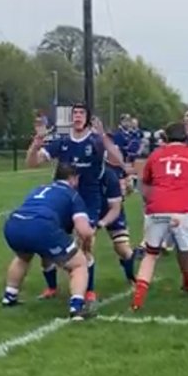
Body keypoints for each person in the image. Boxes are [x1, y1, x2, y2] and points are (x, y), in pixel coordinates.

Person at [26, 104, 123, 303]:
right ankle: (52, 287)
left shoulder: (96, 142)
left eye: (81, 113)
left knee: (86, 244)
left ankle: (89, 290)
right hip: (61, 202)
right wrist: (36, 144)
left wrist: (104, 137)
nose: (77, 116)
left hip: (88, 202)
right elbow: (32, 163)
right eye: (75, 113)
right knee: (47, 245)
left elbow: (118, 160)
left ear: (88, 118)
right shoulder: (62, 143)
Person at [132, 122, 188, 319]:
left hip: (156, 209)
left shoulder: (155, 156)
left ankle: (137, 302)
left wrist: (152, 206)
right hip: (184, 211)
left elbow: (145, 188)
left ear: (164, 138)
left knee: (150, 255)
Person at [1, 164, 96, 320]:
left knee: (23, 257)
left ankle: (10, 295)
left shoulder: (39, 189)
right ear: (73, 178)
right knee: (79, 264)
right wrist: (90, 234)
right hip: (41, 226)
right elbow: (83, 230)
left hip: (14, 223)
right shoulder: (72, 195)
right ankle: (77, 307)